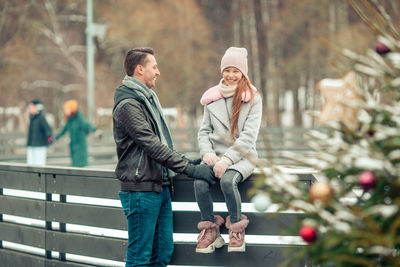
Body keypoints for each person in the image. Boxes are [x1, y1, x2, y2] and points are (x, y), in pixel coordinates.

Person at [112, 47, 216, 267]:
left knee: (162, 254)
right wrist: (190, 169)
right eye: (154, 67)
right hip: (141, 190)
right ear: (140, 69)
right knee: (140, 256)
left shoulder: (146, 100)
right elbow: (152, 146)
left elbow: (160, 143)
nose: (158, 72)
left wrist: (188, 161)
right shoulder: (129, 105)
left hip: (160, 186)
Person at [195, 47, 262, 253]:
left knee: (227, 181)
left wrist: (227, 160)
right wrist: (207, 153)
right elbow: (204, 132)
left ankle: (236, 229)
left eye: (236, 71)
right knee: (200, 183)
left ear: (243, 73)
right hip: (214, 156)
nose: (231, 75)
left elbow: (248, 137)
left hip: (242, 156)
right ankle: (210, 230)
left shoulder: (252, 99)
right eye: (227, 70)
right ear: (221, 71)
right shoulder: (211, 98)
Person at [55, 99, 98, 167]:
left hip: (80, 147)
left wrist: (95, 130)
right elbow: (62, 131)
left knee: (80, 167)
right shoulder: (69, 121)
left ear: (72, 109)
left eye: (66, 109)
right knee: (74, 166)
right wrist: (52, 138)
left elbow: (86, 125)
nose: (65, 111)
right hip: (73, 147)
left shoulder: (79, 119)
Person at [25, 99, 53, 165]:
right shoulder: (32, 118)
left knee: (39, 164)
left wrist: (49, 139)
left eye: (31, 107)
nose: (30, 109)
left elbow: (48, 130)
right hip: (31, 145)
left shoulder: (41, 118)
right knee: (30, 164)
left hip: (40, 146)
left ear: (36, 108)